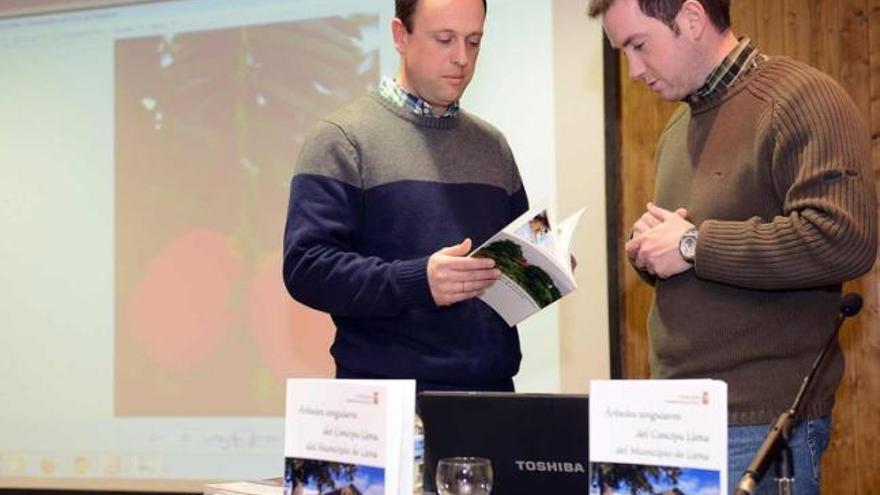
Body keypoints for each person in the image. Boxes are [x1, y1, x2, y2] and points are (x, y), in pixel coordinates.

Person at [587, 0, 877, 493]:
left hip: (759, 429)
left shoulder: (802, 99)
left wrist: (692, 244)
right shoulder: (678, 129)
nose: (634, 70)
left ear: (693, 19)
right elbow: (694, 252)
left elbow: (843, 238)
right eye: (624, 53)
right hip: (673, 420)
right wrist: (652, 252)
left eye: (639, 45)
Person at [282, 0, 529, 392]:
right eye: (444, 39)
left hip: (492, 397)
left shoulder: (493, 146)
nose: (462, 58)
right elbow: (306, 269)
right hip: (385, 403)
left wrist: (541, 269)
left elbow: (507, 262)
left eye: (474, 41)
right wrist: (419, 281)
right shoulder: (342, 140)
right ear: (401, 35)